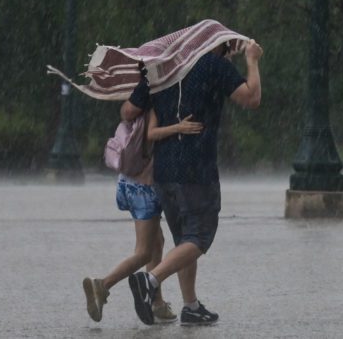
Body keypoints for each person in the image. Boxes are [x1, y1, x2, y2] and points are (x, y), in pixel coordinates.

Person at [126, 38, 263, 325]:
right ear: (217, 46)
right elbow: (251, 98)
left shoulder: (161, 68)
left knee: (182, 240)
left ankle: (191, 306)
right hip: (196, 169)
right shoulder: (214, 66)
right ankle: (150, 281)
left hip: (164, 170)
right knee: (198, 237)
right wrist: (251, 60)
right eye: (225, 48)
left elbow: (128, 111)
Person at [82, 95, 204, 324]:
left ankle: (157, 303)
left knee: (157, 241)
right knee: (144, 252)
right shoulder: (157, 101)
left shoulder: (136, 100)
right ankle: (102, 285)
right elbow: (151, 134)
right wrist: (179, 127)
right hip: (145, 188)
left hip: (127, 181)